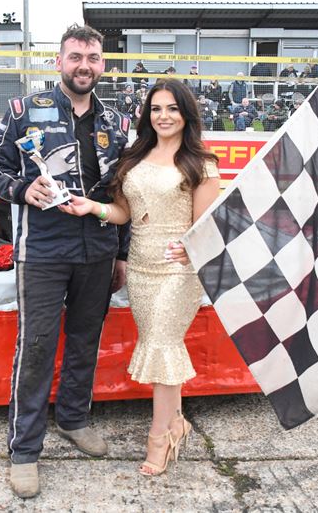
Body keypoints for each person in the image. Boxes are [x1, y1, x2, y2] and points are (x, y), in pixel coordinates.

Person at [0, 24, 130, 499]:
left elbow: (123, 193)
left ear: (102, 64)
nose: (84, 66)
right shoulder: (25, 110)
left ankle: (73, 419)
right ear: (59, 62)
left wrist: (122, 253)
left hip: (98, 250)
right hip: (43, 251)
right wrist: (22, 189)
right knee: (37, 347)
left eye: (92, 58)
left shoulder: (119, 122)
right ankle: (24, 451)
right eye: (75, 57)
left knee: (85, 341)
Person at [59, 78, 220, 476]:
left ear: (187, 114)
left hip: (178, 269)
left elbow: (206, 227)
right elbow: (123, 214)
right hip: (142, 268)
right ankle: (177, 423)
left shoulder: (201, 163)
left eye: (172, 109)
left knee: (162, 344)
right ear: (147, 115)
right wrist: (91, 208)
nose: (164, 116)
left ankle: (159, 438)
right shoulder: (134, 156)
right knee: (161, 346)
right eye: (156, 109)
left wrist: (190, 247)